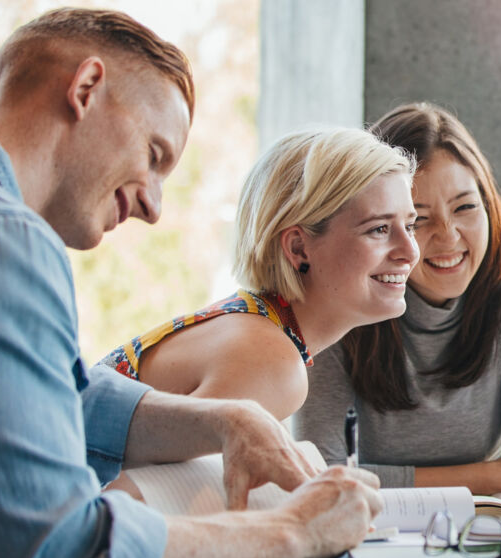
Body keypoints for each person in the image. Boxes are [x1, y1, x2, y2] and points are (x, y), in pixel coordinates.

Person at [0, 9, 384, 558]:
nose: (154, 207)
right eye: (155, 155)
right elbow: (67, 553)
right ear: (86, 89)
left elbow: (48, 396)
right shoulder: (0, 239)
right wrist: (294, 528)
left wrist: (225, 420)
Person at [295, 102, 501, 495]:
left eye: (465, 207)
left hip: (485, 534)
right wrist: (491, 475)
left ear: (489, 206)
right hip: (366, 533)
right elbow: (321, 477)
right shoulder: (340, 302)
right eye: (418, 219)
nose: (448, 237)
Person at [97, 127, 419, 421]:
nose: (410, 251)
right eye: (378, 229)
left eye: (410, 226)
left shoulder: (257, 326)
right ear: (298, 248)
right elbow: (132, 484)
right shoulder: (271, 364)